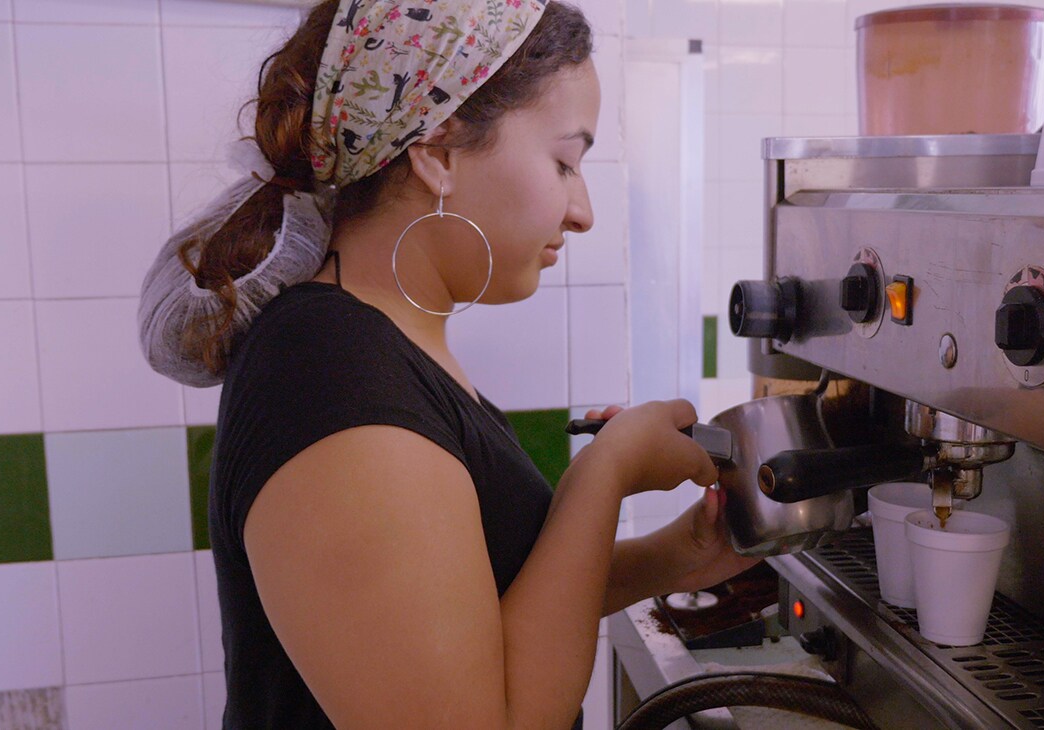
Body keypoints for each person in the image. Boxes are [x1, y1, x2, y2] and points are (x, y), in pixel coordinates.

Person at [137, 1, 758, 727]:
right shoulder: (326, 373)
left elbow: (477, 610)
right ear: (437, 151)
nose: (582, 210)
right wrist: (605, 474)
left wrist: (681, 553)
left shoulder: (378, 347)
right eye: (564, 161)